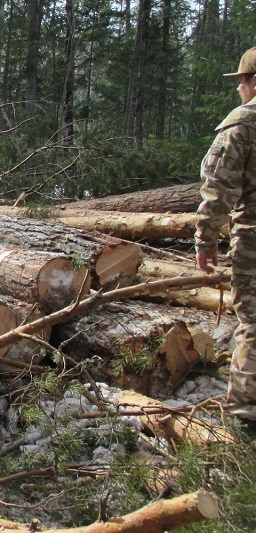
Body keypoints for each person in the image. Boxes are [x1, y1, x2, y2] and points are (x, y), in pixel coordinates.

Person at [195, 46, 256, 423]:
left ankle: (246, 411)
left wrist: (206, 238)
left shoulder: (244, 123)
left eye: (243, 80)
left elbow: (218, 187)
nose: (240, 88)